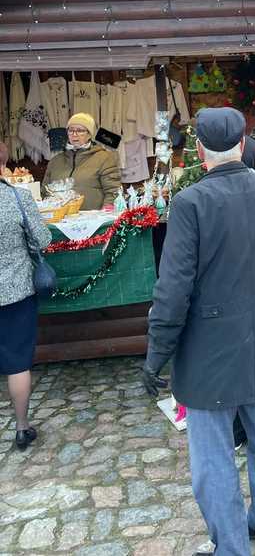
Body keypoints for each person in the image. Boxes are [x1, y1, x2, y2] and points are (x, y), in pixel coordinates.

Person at [142, 107, 255, 556]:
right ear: (245, 144)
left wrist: (157, 355)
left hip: (209, 351)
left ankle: (232, 546)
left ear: (198, 150)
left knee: (213, 457)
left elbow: (172, 291)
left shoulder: (191, 202)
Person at [0, 141, 52, 451]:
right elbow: (42, 238)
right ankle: (21, 427)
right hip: (15, 291)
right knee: (18, 362)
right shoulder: (16, 198)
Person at [42, 113, 121, 210]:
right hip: (59, 219)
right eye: (71, 130)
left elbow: (113, 191)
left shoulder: (104, 158)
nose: (74, 134)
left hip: (93, 221)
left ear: (89, 134)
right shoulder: (55, 161)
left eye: (80, 131)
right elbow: (44, 192)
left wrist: (105, 215)